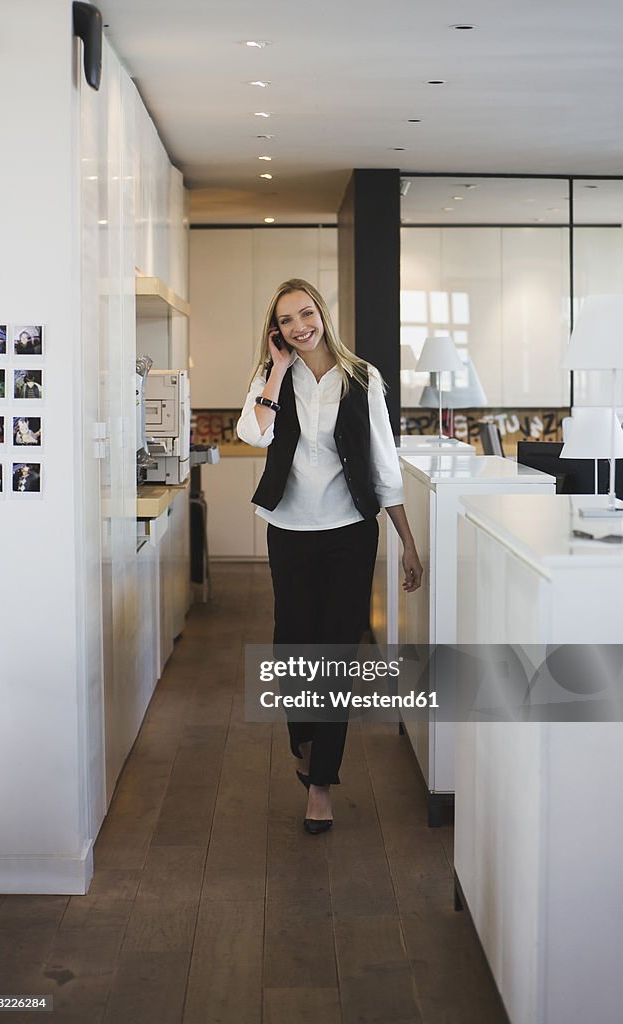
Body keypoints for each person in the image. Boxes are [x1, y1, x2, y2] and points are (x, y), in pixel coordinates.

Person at [237, 278, 423, 835]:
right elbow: (252, 434)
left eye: (307, 313)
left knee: (338, 650)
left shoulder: (362, 378)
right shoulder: (270, 379)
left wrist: (408, 540)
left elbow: (385, 466)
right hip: (289, 528)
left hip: (350, 530)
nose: (300, 326)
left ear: (323, 315)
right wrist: (274, 368)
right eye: (287, 320)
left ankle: (320, 784)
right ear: (277, 329)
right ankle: (304, 736)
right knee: (295, 642)